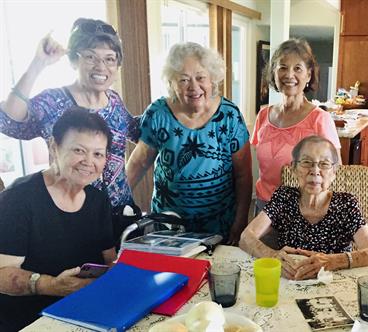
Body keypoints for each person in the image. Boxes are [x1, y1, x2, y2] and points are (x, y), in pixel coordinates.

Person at [0, 18, 139, 209]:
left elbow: (138, 130)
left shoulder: (114, 100)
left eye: (109, 59)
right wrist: (38, 63)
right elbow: (9, 121)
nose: (101, 67)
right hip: (71, 212)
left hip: (120, 211)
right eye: (90, 57)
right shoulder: (53, 101)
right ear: (74, 60)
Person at [0, 108, 116, 331]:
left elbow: (108, 261)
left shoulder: (97, 200)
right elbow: (2, 274)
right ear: (54, 146)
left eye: (98, 154)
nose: (88, 162)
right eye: (79, 150)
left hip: (83, 311)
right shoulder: (18, 199)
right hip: (30, 321)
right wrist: (52, 285)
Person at [127, 42, 251, 245]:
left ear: (212, 79)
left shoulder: (229, 115)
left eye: (201, 77)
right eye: (184, 80)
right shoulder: (158, 113)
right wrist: (115, 206)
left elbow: (243, 176)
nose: (194, 87)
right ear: (172, 83)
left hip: (219, 223)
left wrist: (240, 221)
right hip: (169, 225)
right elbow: (138, 164)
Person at [240, 135, 368, 280]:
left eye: (324, 164)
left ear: (334, 172)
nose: (315, 170)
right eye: (306, 162)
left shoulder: (345, 204)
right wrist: (272, 256)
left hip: (333, 284)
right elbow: (246, 237)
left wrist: (331, 261)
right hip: (290, 281)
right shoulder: (284, 197)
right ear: (294, 168)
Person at [251, 38, 341, 213]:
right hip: (263, 205)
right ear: (273, 73)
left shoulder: (319, 119)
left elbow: (334, 171)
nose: (289, 75)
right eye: (282, 67)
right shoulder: (263, 116)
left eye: (297, 68)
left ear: (308, 75)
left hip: (301, 211)